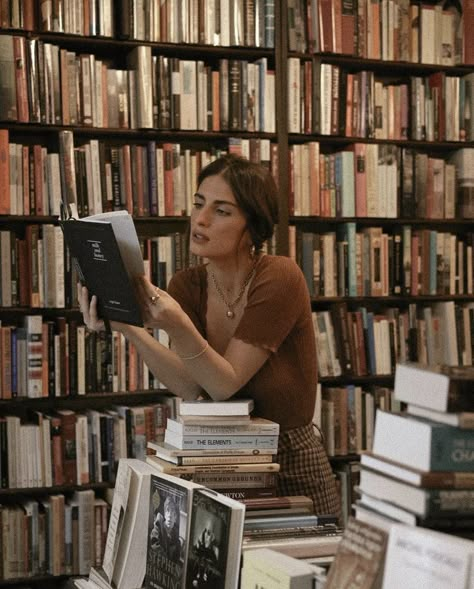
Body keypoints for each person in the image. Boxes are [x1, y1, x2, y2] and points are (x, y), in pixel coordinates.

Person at [78, 154, 340, 516]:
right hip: (219, 458)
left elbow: (224, 384)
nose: (200, 220)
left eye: (221, 211)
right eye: (199, 204)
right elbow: (192, 385)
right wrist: (130, 329)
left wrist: (177, 325)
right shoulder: (187, 285)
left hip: (290, 461)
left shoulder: (280, 276)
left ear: (253, 225)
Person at [149, 495, 182, 564]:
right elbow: (154, 547)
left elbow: (176, 561)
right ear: (164, 514)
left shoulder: (177, 541)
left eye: (173, 512)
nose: (170, 515)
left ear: (175, 517)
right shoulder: (157, 528)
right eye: (167, 511)